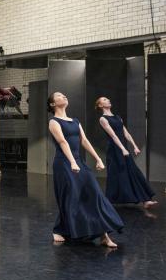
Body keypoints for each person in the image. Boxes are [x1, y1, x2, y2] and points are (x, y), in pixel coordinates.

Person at [47, 92, 123, 248]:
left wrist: (98, 158)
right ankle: (59, 229)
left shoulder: (75, 121)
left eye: (64, 95)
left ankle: (104, 235)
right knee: (71, 197)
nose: (64, 96)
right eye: (59, 96)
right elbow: (62, 142)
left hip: (78, 162)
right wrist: (72, 162)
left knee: (94, 194)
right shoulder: (53, 122)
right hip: (64, 163)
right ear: (53, 104)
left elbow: (84, 141)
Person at [95, 97, 157, 208]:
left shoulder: (118, 117)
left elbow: (126, 133)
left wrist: (134, 146)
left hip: (123, 148)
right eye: (104, 99)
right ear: (100, 105)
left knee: (133, 171)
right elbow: (113, 135)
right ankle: (110, 201)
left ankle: (146, 200)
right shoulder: (103, 119)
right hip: (114, 149)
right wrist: (122, 148)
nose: (108, 100)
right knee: (116, 173)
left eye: (108, 99)